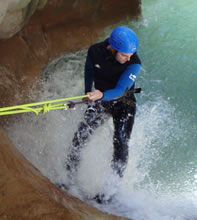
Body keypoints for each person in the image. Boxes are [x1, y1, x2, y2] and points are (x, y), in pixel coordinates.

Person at [65, 26, 141, 186]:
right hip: (101, 99)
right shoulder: (95, 51)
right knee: (81, 135)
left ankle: (110, 191)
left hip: (124, 103)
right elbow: (89, 72)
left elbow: (121, 90)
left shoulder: (134, 63)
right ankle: (68, 178)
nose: (129, 58)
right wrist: (88, 92)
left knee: (120, 141)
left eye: (131, 55)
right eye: (124, 55)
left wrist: (101, 95)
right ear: (113, 48)